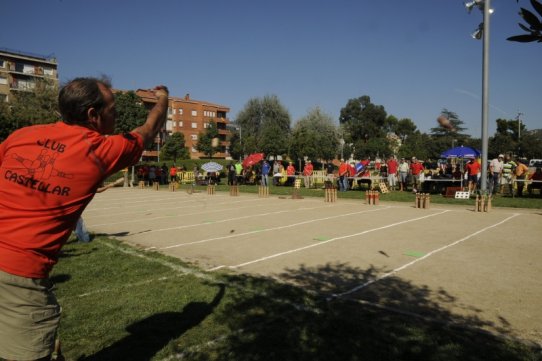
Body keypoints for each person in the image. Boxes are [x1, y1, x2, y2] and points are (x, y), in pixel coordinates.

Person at [0, 77, 169, 361]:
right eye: (113, 111)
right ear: (93, 115)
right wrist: (163, 99)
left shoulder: (22, 135)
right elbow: (149, 129)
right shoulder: (101, 150)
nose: (116, 117)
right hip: (20, 274)